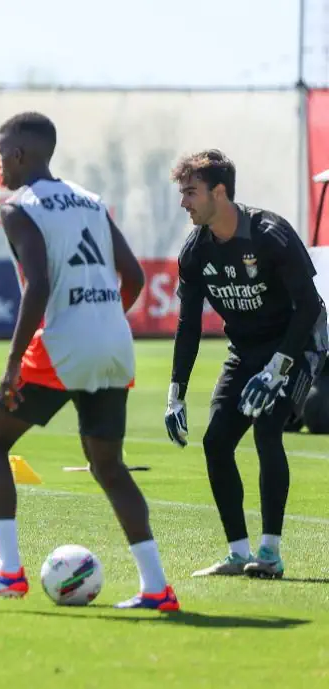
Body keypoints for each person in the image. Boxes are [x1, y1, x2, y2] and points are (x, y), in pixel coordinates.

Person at [0, 112, 179, 611]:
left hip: (61, 345)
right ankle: (156, 587)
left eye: (0, 155)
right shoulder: (92, 201)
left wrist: (13, 363)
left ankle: (8, 571)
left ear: (18, 155)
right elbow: (135, 277)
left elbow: (39, 285)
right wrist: (101, 322)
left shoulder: (18, 208)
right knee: (109, 466)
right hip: (113, 343)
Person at [164, 149, 328, 580]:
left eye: (190, 193)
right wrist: (176, 393)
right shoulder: (196, 251)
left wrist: (278, 368)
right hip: (246, 350)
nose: (184, 203)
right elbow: (188, 325)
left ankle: (269, 553)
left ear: (219, 192)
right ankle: (238, 554)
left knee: (268, 427)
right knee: (216, 441)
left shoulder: (270, 234)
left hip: (299, 342)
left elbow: (311, 305)